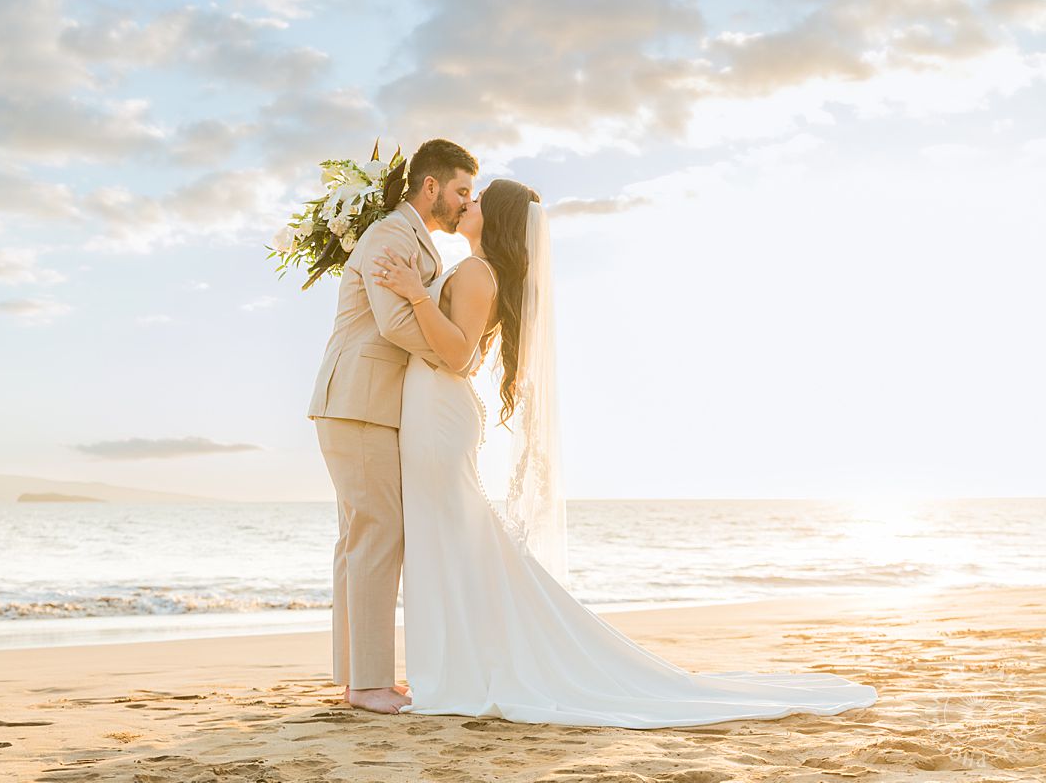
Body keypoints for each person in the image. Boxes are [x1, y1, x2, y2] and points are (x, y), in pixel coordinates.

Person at [372, 179, 878, 728]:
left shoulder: (475, 272)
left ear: (494, 217)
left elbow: (457, 355)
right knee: (450, 543)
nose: (466, 204)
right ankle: (455, 668)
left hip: (439, 415)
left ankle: (453, 671)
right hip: (435, 416)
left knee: (446, 542)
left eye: (477, 200)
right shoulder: (478, 271)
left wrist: (414, 293)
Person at [306, 138, 478, 714]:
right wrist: (454, 360)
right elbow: (396, 322)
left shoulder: (412, 240)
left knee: (360, 536)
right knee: (379, 532)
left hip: (366, 402)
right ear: (430, 186)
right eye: (459, 191)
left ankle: (356, 676)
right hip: (359, 401)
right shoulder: (389, 235)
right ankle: (369, 683)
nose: (463, 202)